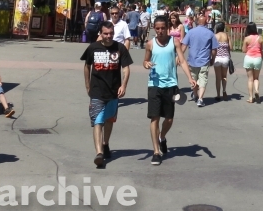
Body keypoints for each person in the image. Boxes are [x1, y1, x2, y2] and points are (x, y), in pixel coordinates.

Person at [144, 15, 195, 165]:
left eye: (163, 28)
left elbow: (182, 61)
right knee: (154, 118)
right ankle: (156, 152)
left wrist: (190, 78)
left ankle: (162, 137)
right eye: (157, 28)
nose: (160, 31)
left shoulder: (175, 42)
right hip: (154, 84)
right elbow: (145, 60)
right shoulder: (150, 44)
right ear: (154, 29)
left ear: (167, 28)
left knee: (169, 118)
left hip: (171, 84)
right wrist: (146, 64)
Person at [81, 20, 132, 168]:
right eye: (106, 34)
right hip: (97, 91)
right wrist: (87, 84)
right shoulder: (93, 48)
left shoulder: (120, 48)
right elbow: (87, 66)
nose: (109, 36)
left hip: (113, 91)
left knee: (109, 120)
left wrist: (124, 85)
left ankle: (105, 143)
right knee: (97, 121)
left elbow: (126, 68)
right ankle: (99, 153)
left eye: (111, 33)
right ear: (100, 33)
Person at [181, 14, 218, 107]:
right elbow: (214, 49)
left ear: (197, 22)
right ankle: (200, 99)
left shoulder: (191, 32)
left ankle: (195, 94)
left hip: (192, 60)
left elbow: (184, 45)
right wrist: (213, 59)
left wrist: (180, 57)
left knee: (193, 78)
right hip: (204, 60)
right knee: (203, 79)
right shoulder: (210, 33)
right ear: (206, 23)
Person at [242, 22, 263, 103]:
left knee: (250, 79)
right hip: (258, 58)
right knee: (256, 78)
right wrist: (261, 58)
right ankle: (257, 91)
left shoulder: (246, 38)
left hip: (249, 58)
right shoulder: (260, 38)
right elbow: (262, 50)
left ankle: (251, 97)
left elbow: (244, 50)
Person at [212, 22, 232, 101]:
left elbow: (212, 48)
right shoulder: (226, 36)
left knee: (218, 77)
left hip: (217, 58)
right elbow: (231, 47)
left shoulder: (215, 36)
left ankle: (218, 95)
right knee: (224, 76)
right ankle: (224, 91)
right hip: (225, 58)